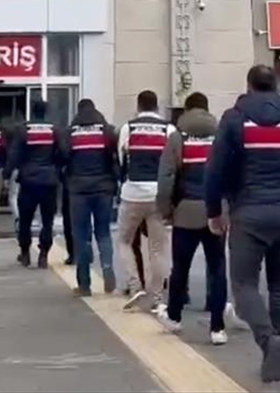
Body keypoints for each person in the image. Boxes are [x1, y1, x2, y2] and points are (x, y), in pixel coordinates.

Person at [206, 64, 280, 383]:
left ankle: (267, 340)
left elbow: (215, 170)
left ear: (249, 86)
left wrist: (214, 211)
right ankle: (279, 350)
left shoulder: (234, 118)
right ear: (275, 85)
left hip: (248, 212)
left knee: (244, 283)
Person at [155, 92, 229, 345]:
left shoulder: (178, 138)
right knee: (217, 268)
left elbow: (166, 178)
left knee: (181, 267)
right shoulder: (221, 137)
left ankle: (174, 317)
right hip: (216, 212)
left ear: (186, 111)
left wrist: (165, 210)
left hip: (185, 212)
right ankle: (217, 328)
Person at [116, 90, 176, 310]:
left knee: (124, 240)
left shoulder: (128, 128)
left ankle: (135, 286)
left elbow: (121, 161)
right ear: (157, 106)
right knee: (158, 249)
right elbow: (173, 164)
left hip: (132, 193)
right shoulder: (168, 129)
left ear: (138, 106)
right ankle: (157, 297)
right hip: (158, 195)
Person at [62, 98, 120, 296]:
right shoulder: (107, 131)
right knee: (103, 232)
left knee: (81, 235)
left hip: (78, 190)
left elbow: (63, 157)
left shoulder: (71, 133)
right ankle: (107, 267)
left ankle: (85, 284)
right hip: (104, 188)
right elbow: (116, 159)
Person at [6, 99, 67, 268]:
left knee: (25, 219)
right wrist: (56, 168)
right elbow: (64, 153)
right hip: (49, 181)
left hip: (28, 181)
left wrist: (8, 173)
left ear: (32, 111)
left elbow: (14, 154)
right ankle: (43, 254)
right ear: (45, 112)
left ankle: (25, 253)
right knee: (47, 220)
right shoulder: (54, 130)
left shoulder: (23, 130)